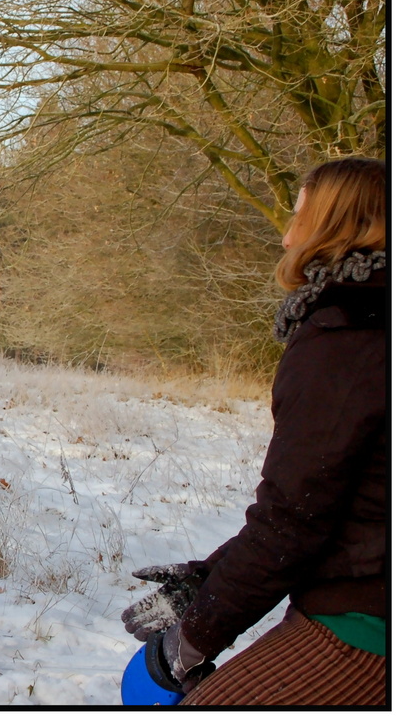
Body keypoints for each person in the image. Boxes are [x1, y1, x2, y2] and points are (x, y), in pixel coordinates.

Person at [121, 157, 387, 706]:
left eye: (300, 216)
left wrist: (190, 641)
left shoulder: (349, 335)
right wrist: (206, 578)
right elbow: (336, 497)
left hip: (366, 622)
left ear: (340, 226)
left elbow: (295, 520)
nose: (287, 235)